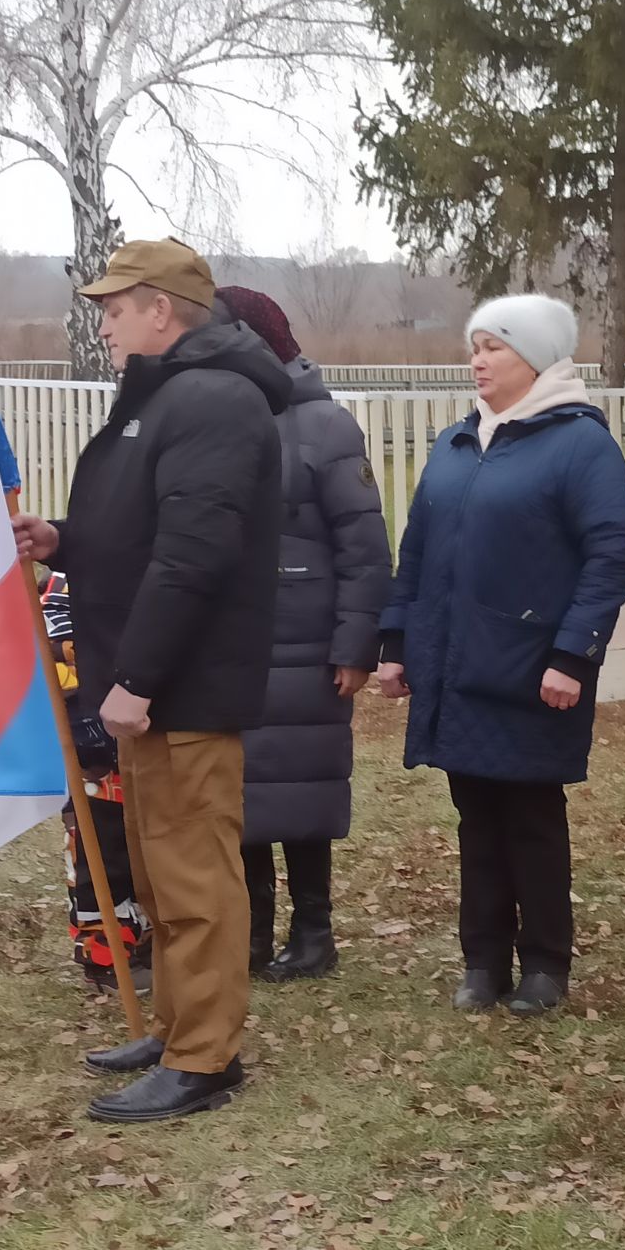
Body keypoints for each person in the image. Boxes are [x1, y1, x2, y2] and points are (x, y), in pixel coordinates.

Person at [11, 237, 288, 1124]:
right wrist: (64, 539)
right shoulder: (169, 398)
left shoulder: (212, 402)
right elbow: (139, 532)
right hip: (151, 682)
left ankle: (205, 1057)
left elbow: (194, 555)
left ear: (161, 310)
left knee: (196, 871)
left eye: (115, 307)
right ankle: (176, 1026)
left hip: (183, 685)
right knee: (163, 869)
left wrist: (135, 677)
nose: (106, 324)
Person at [376, 295, 625, 1018]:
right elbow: (418, 550)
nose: (478, 360)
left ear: (539, 358)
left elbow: (609, 555)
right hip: (457, 664)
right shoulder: (457, 442)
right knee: (475, 814)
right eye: (475, 346)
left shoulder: (580, 445)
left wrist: (573, 656)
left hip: (530, 668)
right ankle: (482, 960)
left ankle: (545, 965)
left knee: (530, 814)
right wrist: (396, 642)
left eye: (495, 347)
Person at [214, 286, 391, 982]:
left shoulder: (324, 426)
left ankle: (313, 932)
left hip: (306, 641)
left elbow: (364, 547)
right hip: (234, 644)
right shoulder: (218, 416)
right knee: (243, 789)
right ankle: (253, 934)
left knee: (305, 785)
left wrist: (355, 645)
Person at [42, 573, 151, 994]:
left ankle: (144, 942)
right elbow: (55, 655)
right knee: (98, 858)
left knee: (144, 854)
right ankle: (105, 957)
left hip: (145, 740)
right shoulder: (66, 582)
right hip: (93, 756)